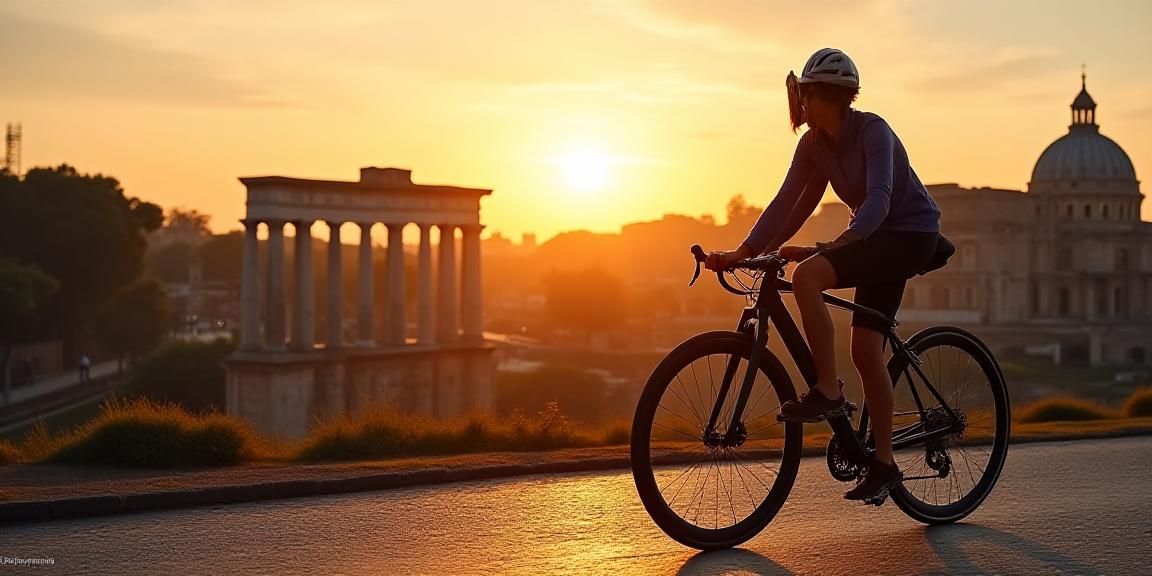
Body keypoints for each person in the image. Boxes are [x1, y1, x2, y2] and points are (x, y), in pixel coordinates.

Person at [705, 48, 944, 503]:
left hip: (909, 233)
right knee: (864, 349)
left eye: (807, 97)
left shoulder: (873, 131)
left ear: (830, 96)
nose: (800, 107)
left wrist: (833, 246)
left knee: (809, 277)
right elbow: (787, 205)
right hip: (872, 235)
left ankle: (828, 391)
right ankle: (885, 464)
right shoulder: (814, 145)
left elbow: (879, 199)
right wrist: (745, 250)